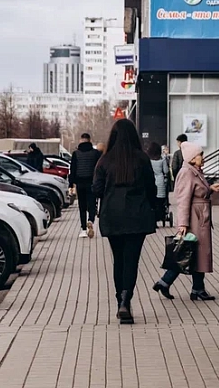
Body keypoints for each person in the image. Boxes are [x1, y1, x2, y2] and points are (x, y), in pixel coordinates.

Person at [93, 119, 157, 324]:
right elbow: (151, 187)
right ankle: (126, 300)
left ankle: (119, 300)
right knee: (131, 260)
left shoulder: (104, 161)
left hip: (112, 217)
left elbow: (96, 189)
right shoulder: (141, 159)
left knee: (118, 260)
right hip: (137, 216)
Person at [153, 142, 219, 301]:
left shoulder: (194, 171)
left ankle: (191, 287)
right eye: (200, 155)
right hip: (195, 218)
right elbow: (183, 200)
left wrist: (210, 189)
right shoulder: (187, 173)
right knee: (189, 251)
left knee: (194, 252)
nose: (203, 158)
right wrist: (182, 224)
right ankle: (187, 286)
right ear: (192, 158)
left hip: (199, 217)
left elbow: (196, 192)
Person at [69, 132, 102, 238]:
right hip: (92, 182)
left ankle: (83, 229)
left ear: (80, 140)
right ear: (89, 140)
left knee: (82, 206)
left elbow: (72, 169)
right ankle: (91, 220)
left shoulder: (76, 153)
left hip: (80, 183)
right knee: (92, 204)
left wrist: (71, 184)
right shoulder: (96, 153)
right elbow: (99, 169)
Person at [147, 142, 169, 220]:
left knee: (152, 199)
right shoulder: (162, 160)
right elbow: (166, 171)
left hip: (151, 180)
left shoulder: (148, 160)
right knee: (161, 200)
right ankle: (161, 215)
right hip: (160, 181)